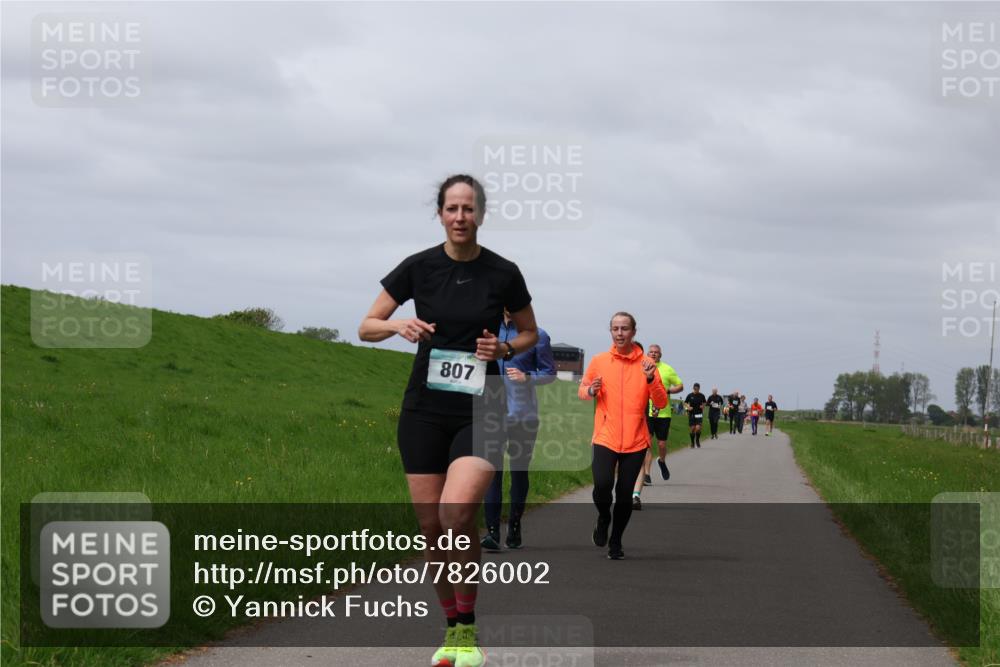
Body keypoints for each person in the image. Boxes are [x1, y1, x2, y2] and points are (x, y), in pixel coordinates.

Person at [358, 174, 538, 667]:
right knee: (432, 529)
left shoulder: (503, 272)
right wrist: (398, 324)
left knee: (457, 514)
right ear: (440, 213)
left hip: (483, 407)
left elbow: (529, 333)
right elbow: (365, 326)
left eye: (469, 209)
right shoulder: (419, 267)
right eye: (452, 209)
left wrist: (503, 347)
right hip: (424, 410)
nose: (460, 217)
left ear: (481, 214)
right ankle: (450, 627)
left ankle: (470, 628)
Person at [579, 312, 668, 559]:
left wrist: (651, 378)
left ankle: (616, 541)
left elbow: (660, 402)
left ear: (633, 332)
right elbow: (582, 391)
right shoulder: (599, 361)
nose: (620, 333)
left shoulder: (647, 365)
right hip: (605, 436)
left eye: (625, 329)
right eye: (615, 328)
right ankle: (603, 517)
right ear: (610, 331)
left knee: (625, 494)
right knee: (603, 486)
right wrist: (590, 390)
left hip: (635, 440)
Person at [481, 311, 556, 550]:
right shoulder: (486, 333)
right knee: (491, 472)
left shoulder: (537, 336)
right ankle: (492, 532)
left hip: (523, 416)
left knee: (519, 472)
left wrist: (528, 377)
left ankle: (514, 524)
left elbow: (550, 373)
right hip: (491, 415)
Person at [631, 343, 683, 510]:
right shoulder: (642, 366)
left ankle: (661, 460)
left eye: (656, 353)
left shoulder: (667, 369)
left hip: (663, 412)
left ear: (660, 355)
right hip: (647, 412)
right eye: (651, 352)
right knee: (646, 443)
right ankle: (646, 474)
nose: (653, 354)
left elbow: (680, 385)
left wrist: (668, 391)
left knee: (661, 444)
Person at [683, 383, 708, 448]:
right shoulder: (690, 395)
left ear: (699, 389)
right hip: (692, 414)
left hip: (699, 414)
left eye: (697, 389)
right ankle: (692, 442)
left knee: (698, 428)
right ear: (693, 388)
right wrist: (688, 407)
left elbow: (705, 402)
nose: (696, 390)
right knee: (692, 429)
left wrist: (703, 406)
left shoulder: (701, 395)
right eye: (695, 389)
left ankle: (697, 440)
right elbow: (685, 403)